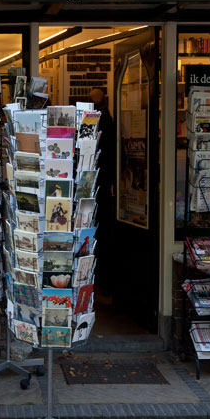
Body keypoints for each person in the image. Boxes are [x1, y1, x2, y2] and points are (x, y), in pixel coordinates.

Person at [89, 87, 116, 299]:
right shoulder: (107, 120)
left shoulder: (104, 122)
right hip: (104, 184)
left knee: (100, 232)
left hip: (102, 183)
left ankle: (103, 281)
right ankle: (104, 282)